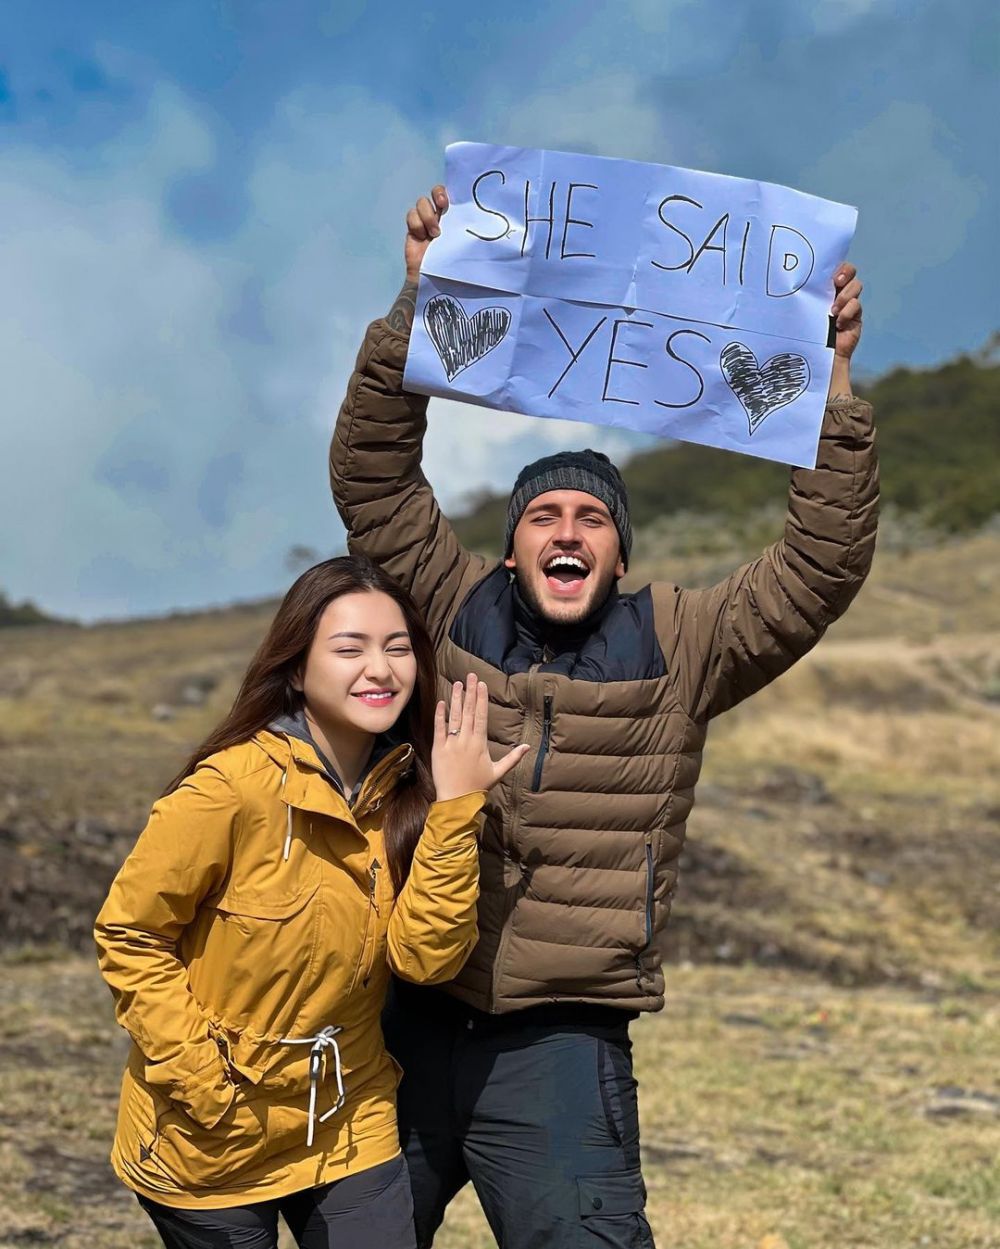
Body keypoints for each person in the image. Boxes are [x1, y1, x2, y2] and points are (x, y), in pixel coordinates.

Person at [330, 186, 878, 1249]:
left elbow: (820, 564)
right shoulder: (448, 605)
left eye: (592, 518)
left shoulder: (687, 640)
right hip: (403, 1017)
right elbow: (375, 481)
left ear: (620, 553)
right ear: (511, 549)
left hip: (562, 1046)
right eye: (543, 515)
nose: (567, 531)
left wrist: (829, 381)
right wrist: (422, 301)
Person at [94, 554, 530, 1249]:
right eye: (350, 648)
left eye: (397, 648)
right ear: (296, 668)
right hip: (212, 1131)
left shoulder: (412, 793)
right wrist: (205, 1083)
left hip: (348, 1115)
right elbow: (130, 934)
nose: (380, 670)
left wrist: (455, 808)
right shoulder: (230, 788)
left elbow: (425, 960)